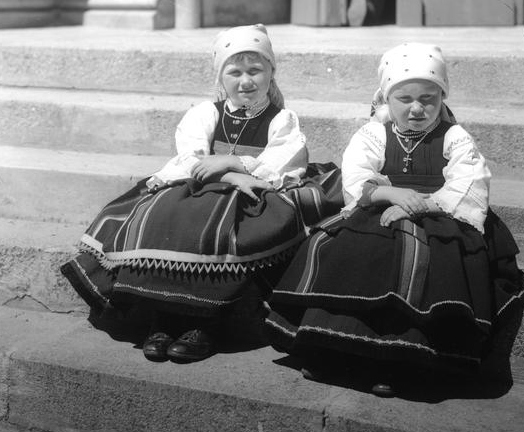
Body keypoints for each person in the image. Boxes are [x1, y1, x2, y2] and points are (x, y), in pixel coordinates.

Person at [265, 42, 524, 397]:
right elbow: (356, 175)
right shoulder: (375, 134)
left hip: (441, 216)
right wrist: (389, 194)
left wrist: (420, 205)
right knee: (347, 248)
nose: (417, 108)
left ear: (442, 98)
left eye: (428, 97)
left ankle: (397, 360)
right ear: (386, 99)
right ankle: (331, 347)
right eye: (404, 98)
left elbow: (467, 183)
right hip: (380, 208)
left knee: (428, 263)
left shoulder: (453, 137)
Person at [61, 24, 342, 363]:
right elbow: (191, 161)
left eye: (255, 70)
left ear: (271, 73)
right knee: (165, 215)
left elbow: (280, 165)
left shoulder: (281, 120)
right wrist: (232, 176)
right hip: (201, 187)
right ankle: (163, 317)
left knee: (223, 233)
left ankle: (203, 322)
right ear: (220, 79)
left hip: (251, 195)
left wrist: (233, 164)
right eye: (234, 72)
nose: (246, 81)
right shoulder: (206, 113)